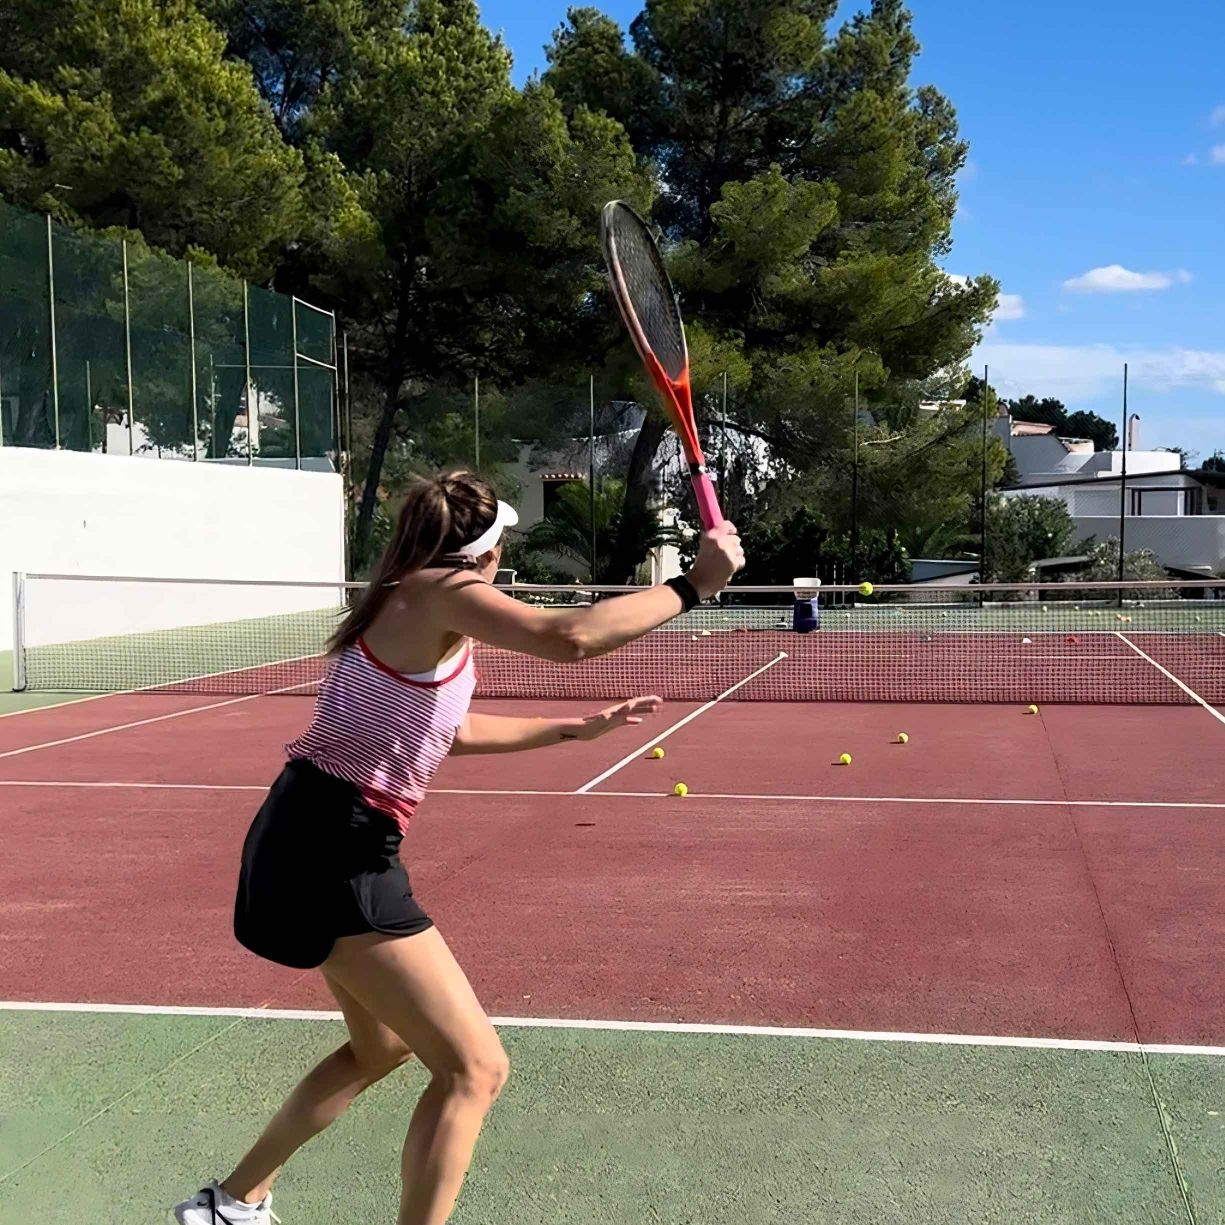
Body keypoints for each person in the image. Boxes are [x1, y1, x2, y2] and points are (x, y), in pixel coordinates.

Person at [173, 470, 744, 1225]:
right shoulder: (441, 592)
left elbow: (450, 730)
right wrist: (692, 585)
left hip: (311, 831)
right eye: (501, 539)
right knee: (476, 1068)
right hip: (334, 846)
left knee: (380, 1049)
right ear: (483, 551)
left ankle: (228, 1204)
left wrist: (572, 729)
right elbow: (567, 636)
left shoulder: (410, 597)